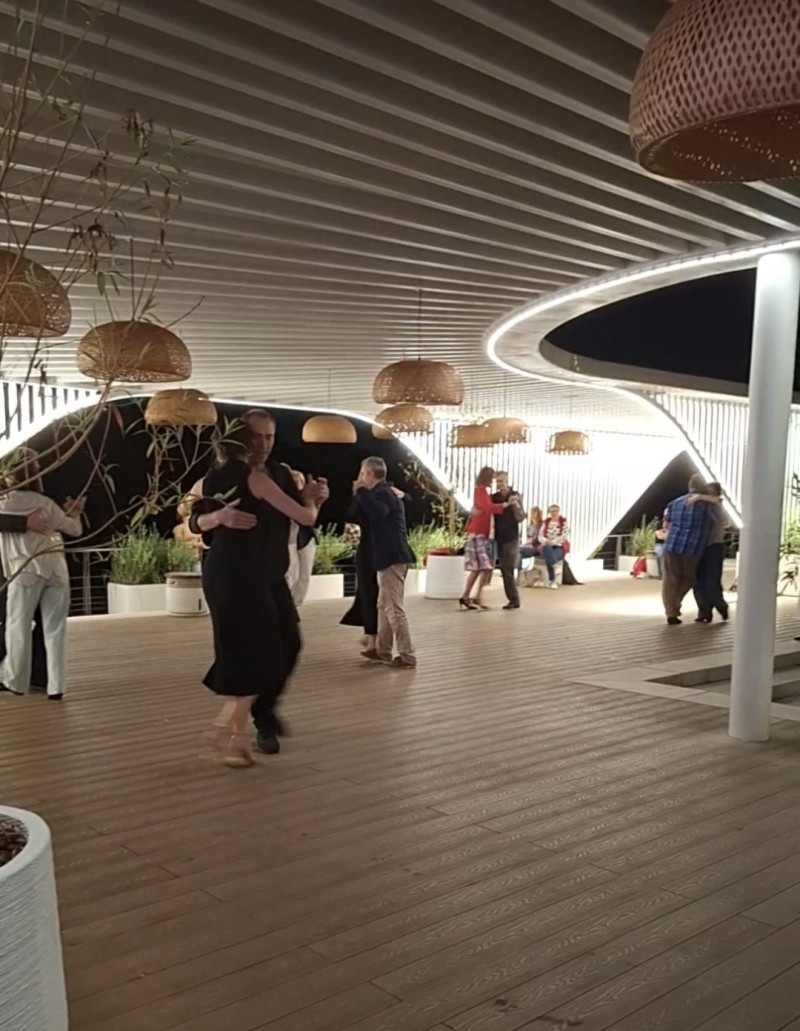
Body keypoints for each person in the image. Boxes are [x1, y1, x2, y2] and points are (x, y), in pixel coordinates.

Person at [190, 409, 329, 755]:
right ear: (240, 438)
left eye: (270, 436)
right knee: (257, 652)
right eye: (257, 436)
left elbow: (299, 514)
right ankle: (249, 724)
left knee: (288, 644)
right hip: (237, 574)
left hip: (268, 574)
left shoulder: (279, 474)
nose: (264, 444)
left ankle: (248, 719)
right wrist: (219, 516)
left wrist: (313, 496)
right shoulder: (219, 475)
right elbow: (194, 521)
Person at [0, 448, 84, 699]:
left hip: (26, 569)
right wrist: (75, 512)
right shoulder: (45, 503)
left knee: (18, 624)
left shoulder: (5, 501)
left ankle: (15, 681)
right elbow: (75, 530)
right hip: (57, 570)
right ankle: (56, 687)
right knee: (55, 629)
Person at [350, 457, 416, 668]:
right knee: (383, 605)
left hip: (392, 558)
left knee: (394, 608)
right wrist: (360, 495)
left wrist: (361, 492)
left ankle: (407, 656)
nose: (360, 478)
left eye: (362, 474)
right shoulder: (381, 493)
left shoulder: (385, 493)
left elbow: (378, 513)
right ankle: (383, 651)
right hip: (388, 558)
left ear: (370, 474)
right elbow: (357, 514)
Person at [661, 474, 718, 626]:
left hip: (672, 545)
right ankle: (675, 604)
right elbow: (717, 516)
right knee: (688, 578)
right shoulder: (707, 505)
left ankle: (671, 612)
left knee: (670, 580)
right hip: (692, 548)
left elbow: (666, 525)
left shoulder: (674, 502)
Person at [462, 467, 510, 610]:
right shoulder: (480, 490)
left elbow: (484, 508)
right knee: (483, 566)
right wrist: (505, 505)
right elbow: (487, 508)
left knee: (482, 567)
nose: (493, 481)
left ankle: (471, 596)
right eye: (493, 478)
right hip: (479, 533)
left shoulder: (481, 491)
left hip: (482, 532)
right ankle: (473, 596)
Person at [340, 482, 378, 653]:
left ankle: (374, 638)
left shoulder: (379, 497)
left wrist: (360, 493)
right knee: (366, 594)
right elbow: (351, 515)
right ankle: (370, 634)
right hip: (368, 553)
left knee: (371, 595)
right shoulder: (366, 499)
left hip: (374, 554)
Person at [691, 482, 728, 623]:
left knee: (712, 580)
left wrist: (700, 497)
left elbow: (725, 519)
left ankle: (720, 605)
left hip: (714, 546)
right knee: (698, 581)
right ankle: (704, 611)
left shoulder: (717, 506)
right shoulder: (702, 505)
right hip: (700, 546)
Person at [491, 471, 524, 610]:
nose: (499, 484)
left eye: (501, 481)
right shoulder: (494, 497)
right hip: (499, 537)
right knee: (504, 569)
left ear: (507, 481)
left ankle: (514, 599)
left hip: (511, 537)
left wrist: (515, 504)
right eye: (497, 481)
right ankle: (513, 598)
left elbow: (521, 517)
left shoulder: (515, 495)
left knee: (508, 568)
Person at [539, 504, 570, 589]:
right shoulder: (546, 522)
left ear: (559, 511)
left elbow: (564, 536)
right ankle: (554, 572)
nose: (554, 513)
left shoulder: (563, 522)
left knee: (549, 557)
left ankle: (551, 580)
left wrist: (553, 542)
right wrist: (546, 541)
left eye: (556, 511)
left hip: (558, 546)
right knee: (547, 550)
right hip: (546, 546)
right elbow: (540, 535)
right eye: (552, 511)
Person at [654, 513, 668, 579]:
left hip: (668, 544)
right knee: (660, 553)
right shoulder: (659, 525)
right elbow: (659, 536)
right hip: (659, 544)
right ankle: (661, 574)